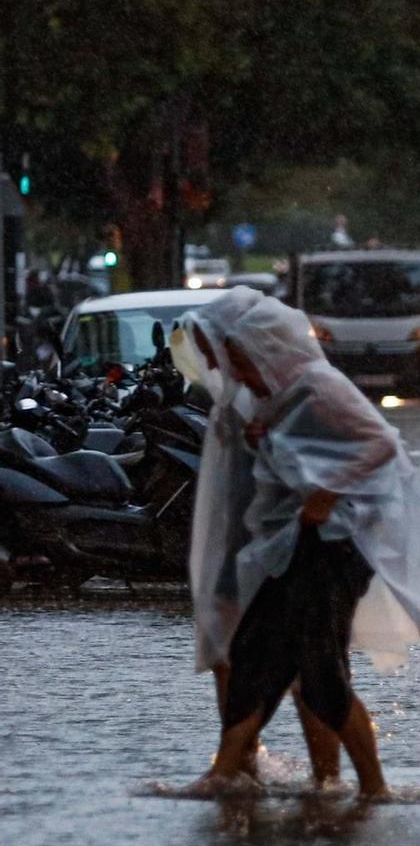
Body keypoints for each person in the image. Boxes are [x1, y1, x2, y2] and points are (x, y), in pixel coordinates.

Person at [187, 297, 420, 798]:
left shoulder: (318, 384)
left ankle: (368, 785)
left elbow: (381, 444)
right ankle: (230, 771)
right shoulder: (282, 392)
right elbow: (302, 453)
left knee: (318, 672)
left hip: (332, 547)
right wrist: (265, 437)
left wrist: (327, 495)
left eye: (240, 360)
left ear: (266, 350)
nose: (236, 373)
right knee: (256, 656)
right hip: (295, 546)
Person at [172, 288, 342, 787]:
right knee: (232, 658)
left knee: (309, 671)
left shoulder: (291, 392)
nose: (208, 360)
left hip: (286, 548)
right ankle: (242, 764)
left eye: (212, 347)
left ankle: (327, 777)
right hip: (241, 547)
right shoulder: (237, 393)